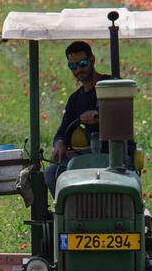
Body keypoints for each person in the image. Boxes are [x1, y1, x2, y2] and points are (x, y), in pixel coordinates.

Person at [44, 41, 118, 192]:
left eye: (82, 64)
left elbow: (120, 114)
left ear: (92, 60)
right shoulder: (75, 99)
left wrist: (99, 116)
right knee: (51, 173)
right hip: (87, 154)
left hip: (116, 153)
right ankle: (66, 212)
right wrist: (59, 143)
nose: (78, 70)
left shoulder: (111, 85)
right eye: (73, 66)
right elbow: (62, 130)